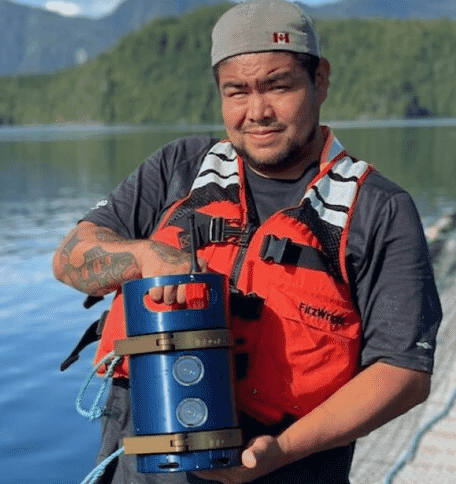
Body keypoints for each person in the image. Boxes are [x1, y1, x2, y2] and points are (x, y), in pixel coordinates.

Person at [52, 1, 443, 482]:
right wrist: (144, 254)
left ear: (319, 80)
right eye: (237, 91)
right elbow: (70, 260)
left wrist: (278, 451)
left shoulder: (379, 210)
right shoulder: (178, 169)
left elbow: (404, 372)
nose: (257, 112)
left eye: (278, 86)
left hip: (287, 464)